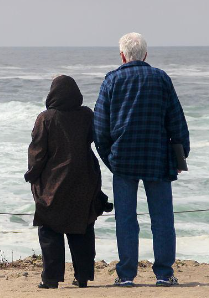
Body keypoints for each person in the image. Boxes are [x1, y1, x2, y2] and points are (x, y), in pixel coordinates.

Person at [94, 33, 190, 287]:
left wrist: (110, 159)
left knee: (126, 219)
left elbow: (100, 127)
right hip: (157, 158)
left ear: (122, 56)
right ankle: (164, 274)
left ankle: (126, 275)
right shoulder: (161, 78)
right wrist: (181, 157)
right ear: (145, 55)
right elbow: (176, 122)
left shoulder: (112, 80)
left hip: (123, 160)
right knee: (162, 219)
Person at [25, 75, 112, 289]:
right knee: (82, 227)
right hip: (85, 179)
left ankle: (51, 279)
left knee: (49, 228)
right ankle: (82, 277)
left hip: (53, 182)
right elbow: (97, 139)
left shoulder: (46, 118)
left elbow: (38, 153)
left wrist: (32, 175)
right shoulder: (86, 115)